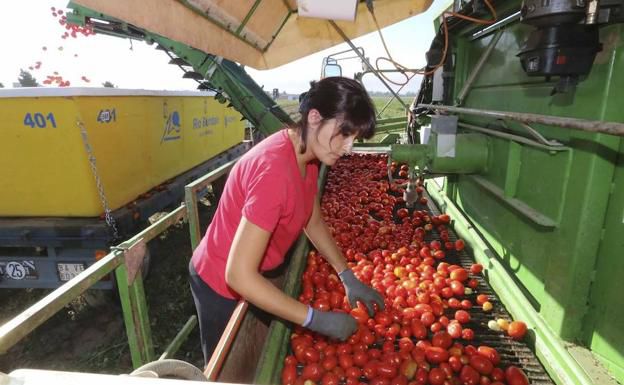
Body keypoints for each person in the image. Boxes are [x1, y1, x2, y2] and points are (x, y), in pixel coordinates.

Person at [189, 76, 384, 366]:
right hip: (219, 282)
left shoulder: (305, 154)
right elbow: (238, 276)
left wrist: (346, 274)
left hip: (252, 272)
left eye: (354, 138)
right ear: (315, 117)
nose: (348, 148)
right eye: (344, 133)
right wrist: (314, 318)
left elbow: (311, 216)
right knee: (226, 370)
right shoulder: (274, 172)